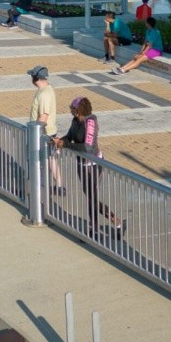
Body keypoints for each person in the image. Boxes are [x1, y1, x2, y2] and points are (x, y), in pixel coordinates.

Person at [58, 96, 123, 239]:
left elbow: (87, 148)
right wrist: (59, 141)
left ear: (78, 110)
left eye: (71, 108)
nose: (70, 110)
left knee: (91, 199)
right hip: (81, 164)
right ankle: (117, 222)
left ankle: (94, 230)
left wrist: (66, 145)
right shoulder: (75, 121)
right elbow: (70, 136)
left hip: (93, 164)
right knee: (91, 197)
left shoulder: (90, 122)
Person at [28, 66, 61, 190]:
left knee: (42, 160)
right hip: (48, 132)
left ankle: (40, 184)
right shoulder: (47, 89)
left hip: (43, 133)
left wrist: (35, 134)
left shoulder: (44, 95)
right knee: (50, 160)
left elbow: (43, 116)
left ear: (36, 78)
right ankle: (58, 185)